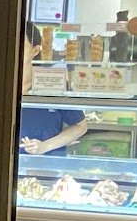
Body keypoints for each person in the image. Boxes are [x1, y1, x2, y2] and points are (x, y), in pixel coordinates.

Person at [19, 22, 89, 155]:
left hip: (45, 166)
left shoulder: (52, 81)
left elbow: (80, 126)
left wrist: (44, 146)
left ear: (35, 50)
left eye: (20, 45)